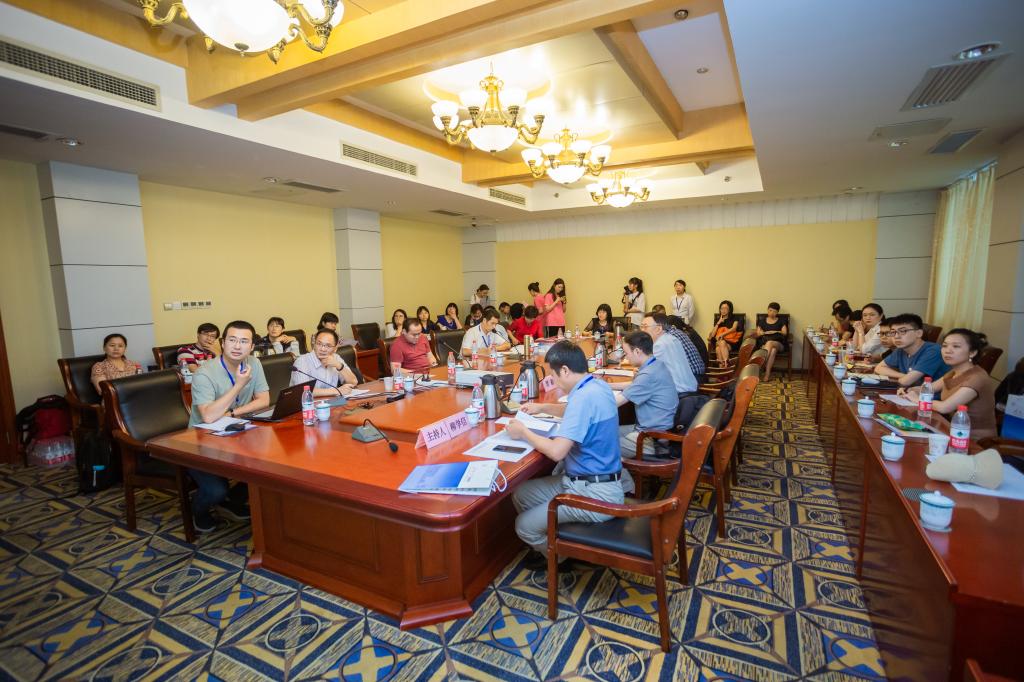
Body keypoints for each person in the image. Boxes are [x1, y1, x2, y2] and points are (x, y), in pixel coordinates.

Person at [504, 341, 625, 570]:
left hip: (595, 493)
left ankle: (560, 557)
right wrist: (542, 408)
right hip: (590, 480)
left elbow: (557, 452)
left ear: (566, 370)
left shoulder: (582, 398)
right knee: (521, 494)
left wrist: (523, 432)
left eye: (553, 375)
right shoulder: (596, 386)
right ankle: (556, 538)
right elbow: (573, 411)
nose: (553, 381)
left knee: (523, 526)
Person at [188, 320, 269, 532]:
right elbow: (208, 416)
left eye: (244, 341)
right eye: (232, 340)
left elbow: (264, 400)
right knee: (216, 490)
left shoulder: (254, 363)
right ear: (223, 343)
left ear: (252, 346)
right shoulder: (204, 373)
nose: (237, 346)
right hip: (200, 441)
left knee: (270, 467)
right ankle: (199, 511)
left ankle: (228, 502)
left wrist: (232, 413)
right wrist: (239, 386)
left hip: (236, 432)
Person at [898, 329, 997, 439]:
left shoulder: (977, 378)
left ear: (972, 353)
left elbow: (944, 407)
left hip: (973, 439)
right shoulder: (954, 372)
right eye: (945, 346)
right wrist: (909, 390)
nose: (947, 351)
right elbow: (928, 388)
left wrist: (916, 399)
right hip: (948, 429)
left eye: (956, 346)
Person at [609, 331, 678, 463]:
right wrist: (606, 385)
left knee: (597, 442)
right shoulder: (656, 364)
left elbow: (613, 403)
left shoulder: (648, 375)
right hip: (656, 430)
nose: (625, 357)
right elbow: (635, 385)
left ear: (637, 351)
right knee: (605, 431)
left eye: (626, 353)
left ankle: (623, 473)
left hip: (651, 439)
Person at [875, 313, 950, 387]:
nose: (896, 336)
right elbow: (879, 368)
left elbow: (905, 382)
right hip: (910, 391)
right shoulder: (901, 350)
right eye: (893, 332)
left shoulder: (933, 351)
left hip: (931, 394)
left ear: (919, 333)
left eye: (903, 331)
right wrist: (904, 376)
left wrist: (905, 378)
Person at [291, 328, 359, 398]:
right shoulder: (302, 361)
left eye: (328, 346)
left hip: (330, 401)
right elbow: (302, 390)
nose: (322, 349)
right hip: (305, 403)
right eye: (319, 344)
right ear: (314, 344)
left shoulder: (335, 358)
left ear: (335, 348)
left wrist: (338, 365)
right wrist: (336, 391)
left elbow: (353, 382)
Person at [641, 313, 698, 394]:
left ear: (658, 329)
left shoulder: (659, 345)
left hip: (678, 393)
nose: (642, 330)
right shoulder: (671, 338)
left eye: (645, 327)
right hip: (690, 388)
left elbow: (647, 375)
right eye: (641, 326)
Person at [666, 316, 707, 381]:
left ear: (673, 326)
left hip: (697, 374)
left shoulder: (683, 334)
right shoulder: (687, 331)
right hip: (701, 368)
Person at [755, 303, 788, 381]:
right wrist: (762, 333)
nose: (772, 313)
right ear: (767, 310)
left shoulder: (781, 321)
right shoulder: (762, 321)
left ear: (777, 312)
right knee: (773, 351)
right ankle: (767, 374)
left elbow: (785, 333)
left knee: (770, 343)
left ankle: (761, 365)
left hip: (778, 344)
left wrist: (776, 331)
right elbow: (757, 334)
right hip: (765, 344)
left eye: (774, 311)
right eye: (770, 310)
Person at [708, 301, 742, 367]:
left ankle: (722, 370)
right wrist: (718, 322)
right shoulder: (718, 320)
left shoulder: (735, 318)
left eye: (725, 308)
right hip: (718, 341)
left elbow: (734, 328)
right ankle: (727, 364)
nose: (723, 310)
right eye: (722, 308)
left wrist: (722, 334)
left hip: (731, 342)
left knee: (718, 349)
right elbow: (712, 335)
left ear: (729, 310)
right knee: (722, 342)